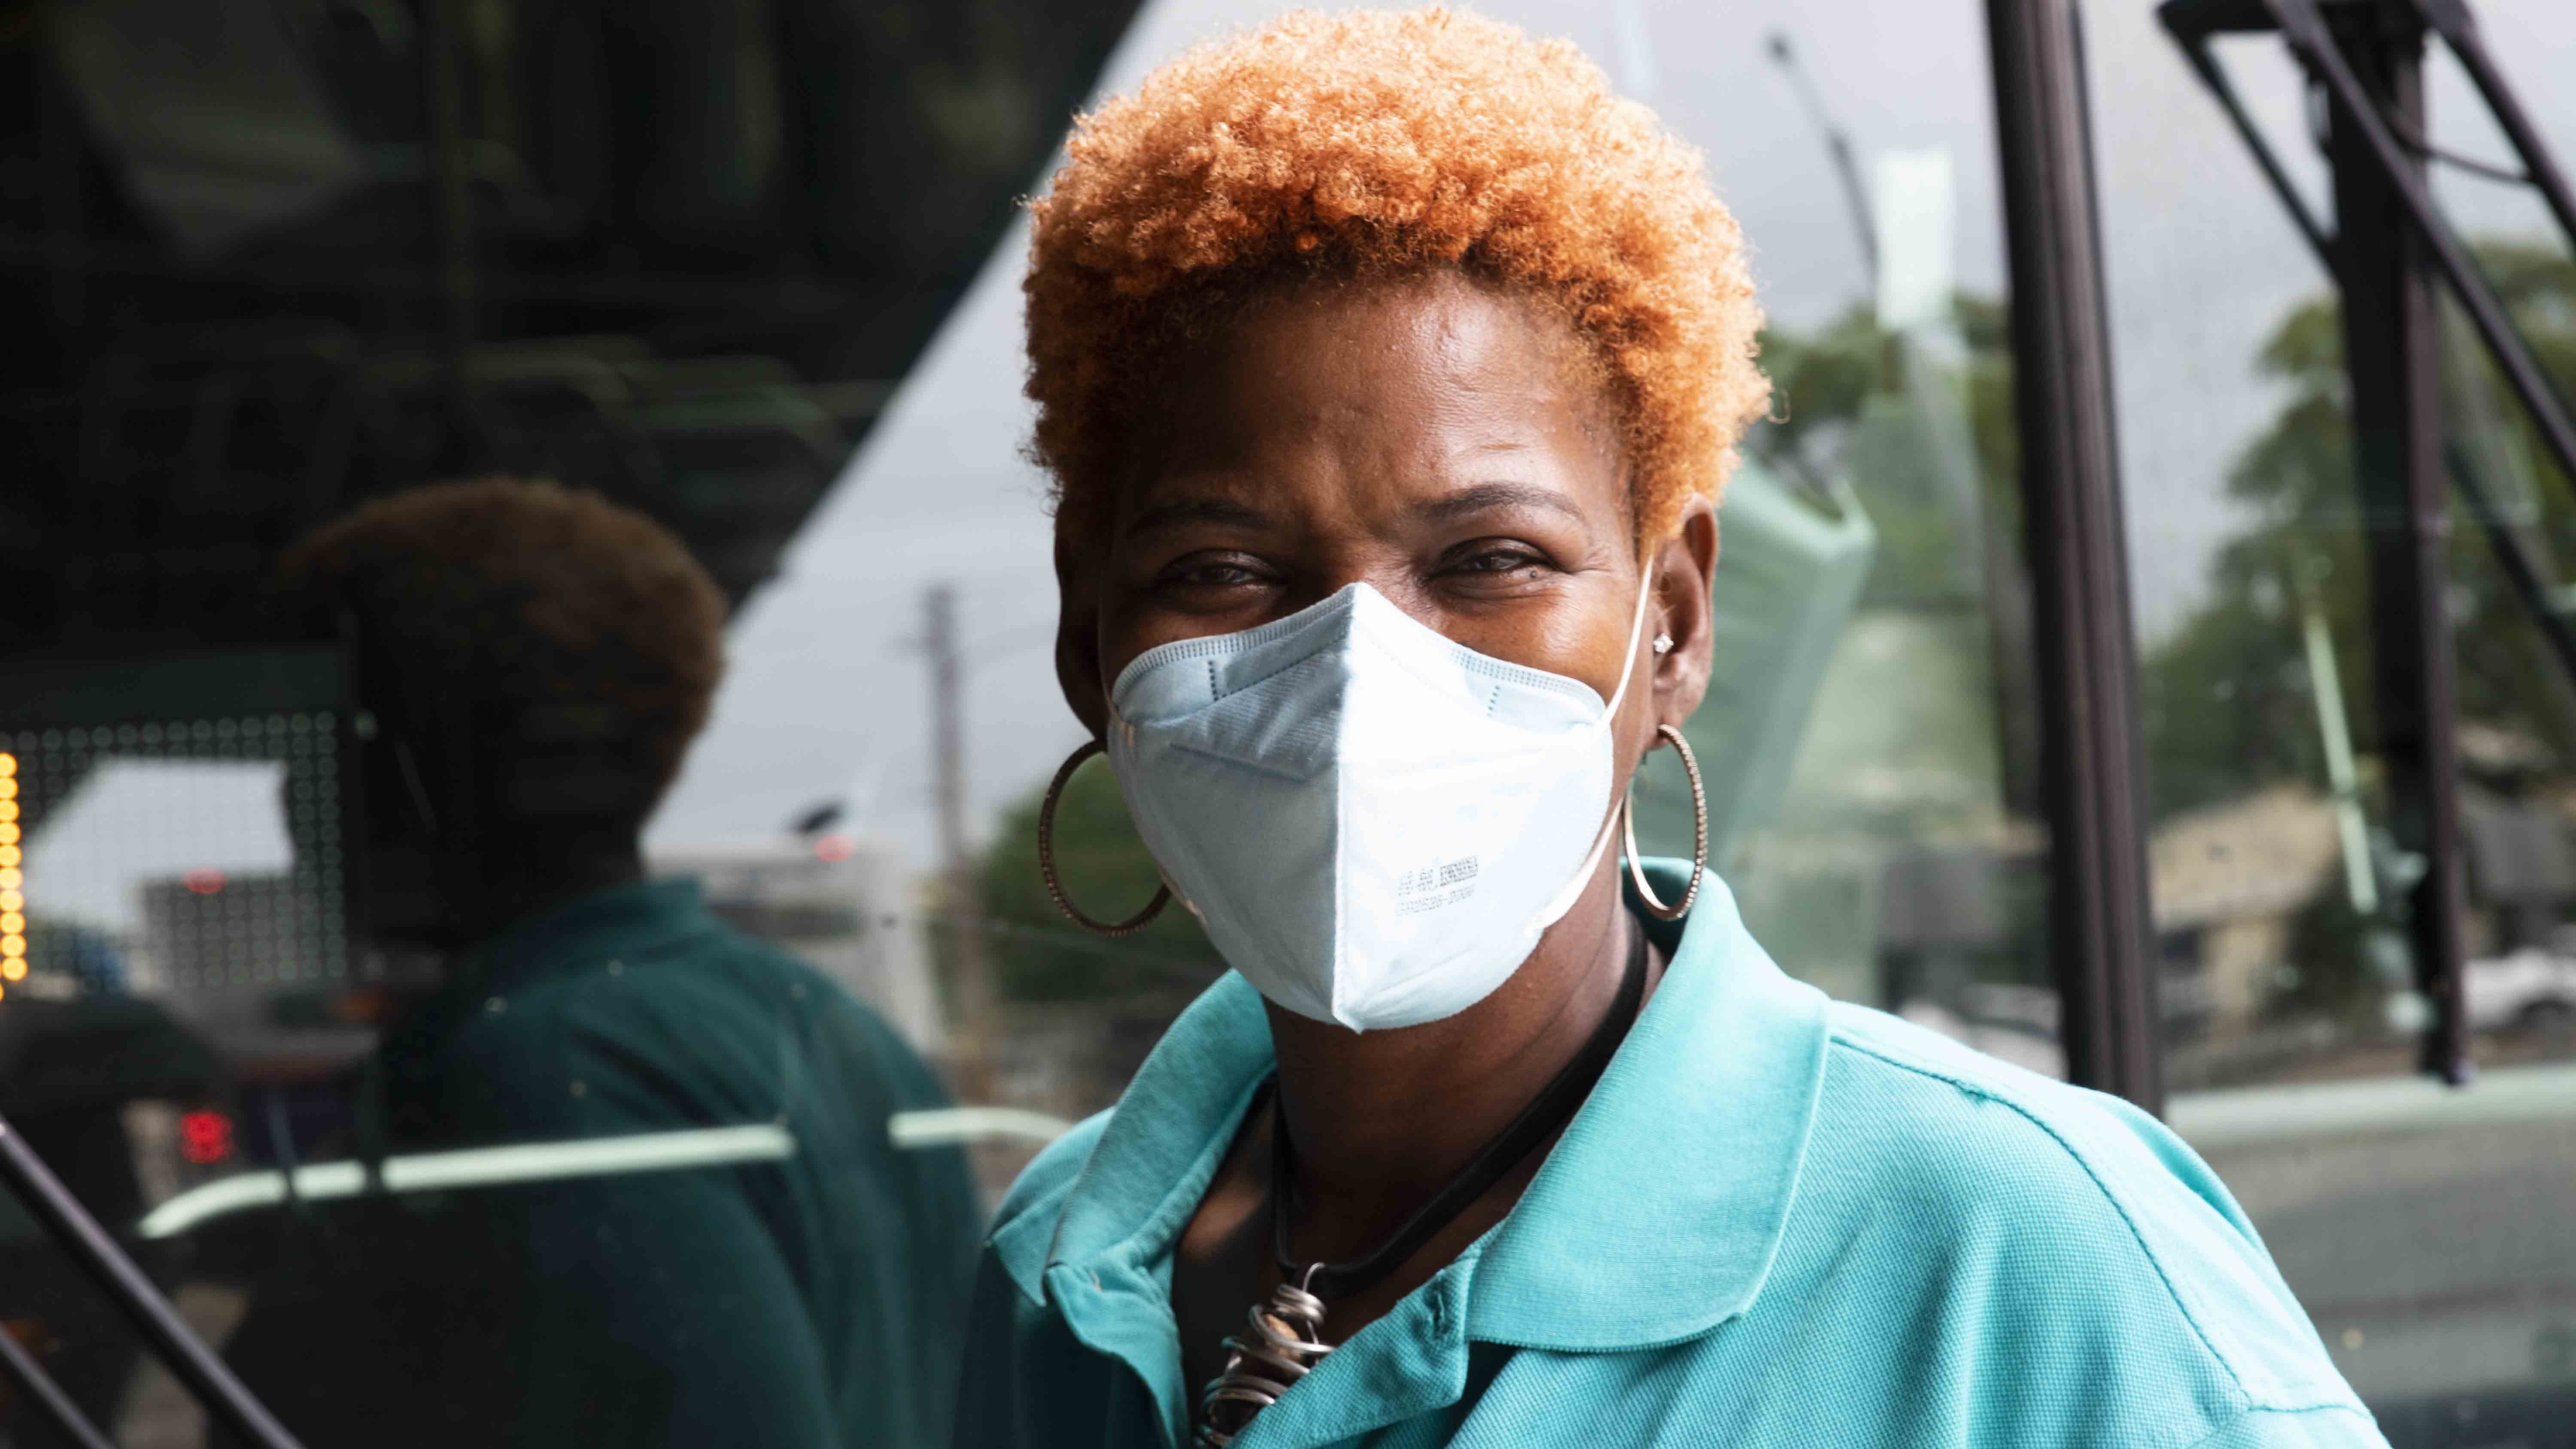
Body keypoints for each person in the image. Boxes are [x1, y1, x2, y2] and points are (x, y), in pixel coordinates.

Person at [955, 11, 2385, 1448]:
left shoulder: (2023, 1260)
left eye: (1491, 559)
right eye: (1225, 569)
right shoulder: (1059, 1263)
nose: (1354, 675)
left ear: (1678, 623)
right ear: (1092, 634)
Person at [222, 479, 980, 1448]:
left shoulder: (541, 1075)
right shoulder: (820, 1018)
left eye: (317, 746)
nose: (293, 803)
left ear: (413, 764)